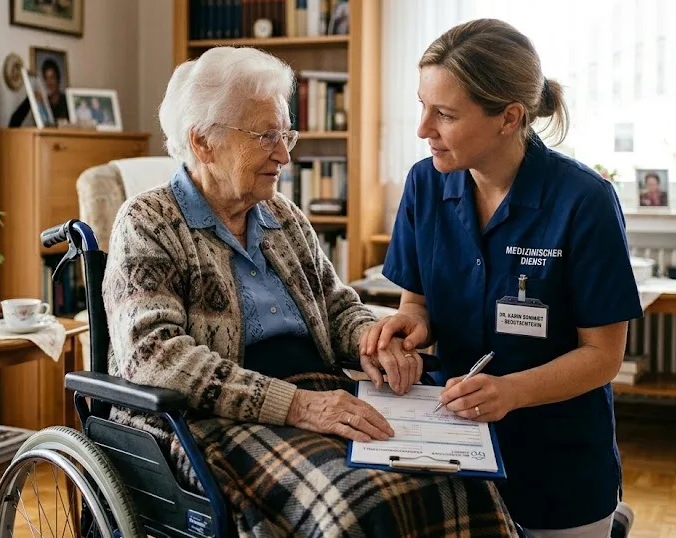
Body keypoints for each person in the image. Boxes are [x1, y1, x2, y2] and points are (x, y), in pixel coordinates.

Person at [102, 45, 518, 537]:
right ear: (202, 143)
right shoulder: (148, 221)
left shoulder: (281, 215)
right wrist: (295, 405)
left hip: (320, 394)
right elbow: (154, 356)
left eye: (285, 134)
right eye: (265, 136)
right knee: (358, 505)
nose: (283, 154)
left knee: (457, 480)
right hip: (211, 418)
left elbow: (336, 305)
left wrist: (378, 341)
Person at [359, 19, 641, 538]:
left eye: (444, 114)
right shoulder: (425, 184)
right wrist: (407, 329)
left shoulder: (584, 201)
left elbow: (603, 356)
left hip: (557, 464)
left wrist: (512, 390)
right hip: (448, 447)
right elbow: (415, 304)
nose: (423, 129)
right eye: (422, 106)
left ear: (509, 117)